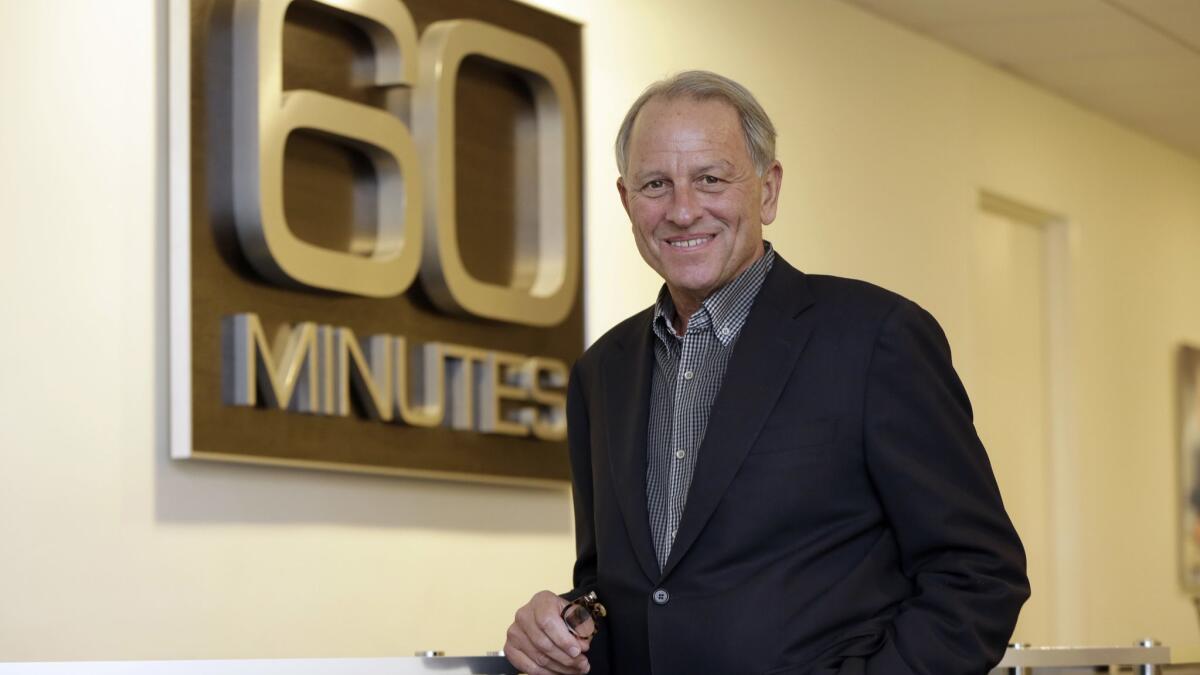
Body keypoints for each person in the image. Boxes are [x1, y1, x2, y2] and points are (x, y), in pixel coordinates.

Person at [504, 70, 1029, 675]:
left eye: (710, 178)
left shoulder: (874, 338)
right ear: (627, 202)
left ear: (768, 190)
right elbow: (620, 587)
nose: (682, 209)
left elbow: (978, 570)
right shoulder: (602, 372)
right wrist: (563, 622)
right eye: (656, 184)